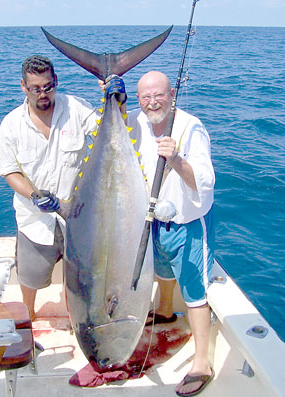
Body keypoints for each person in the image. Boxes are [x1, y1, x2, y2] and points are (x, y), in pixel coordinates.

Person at [127, 71, 215, 397]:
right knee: (162, 271)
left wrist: (176, 159)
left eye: (159, 95)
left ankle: (202, 363)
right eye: (145, 97)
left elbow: (204, 182)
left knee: (195, 292)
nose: (153, 102)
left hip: (188, 222)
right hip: (153, 221)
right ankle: (164, 311)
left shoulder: (191, 127)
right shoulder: (135, 122)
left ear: (172, 93)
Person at [0, 55, 101, 321]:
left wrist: (113, 98)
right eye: (35, 88)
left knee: (80, 274)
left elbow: (106, 130)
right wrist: (34, 195)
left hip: (77, 215)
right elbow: (9, 171)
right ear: (23, 86)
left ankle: (75, 315)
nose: (43, 94)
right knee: (30, 276)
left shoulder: (76, 108)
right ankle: (28, 314)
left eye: (48, 86)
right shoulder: (11, 124)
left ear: (56, 81)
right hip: (35, 218)